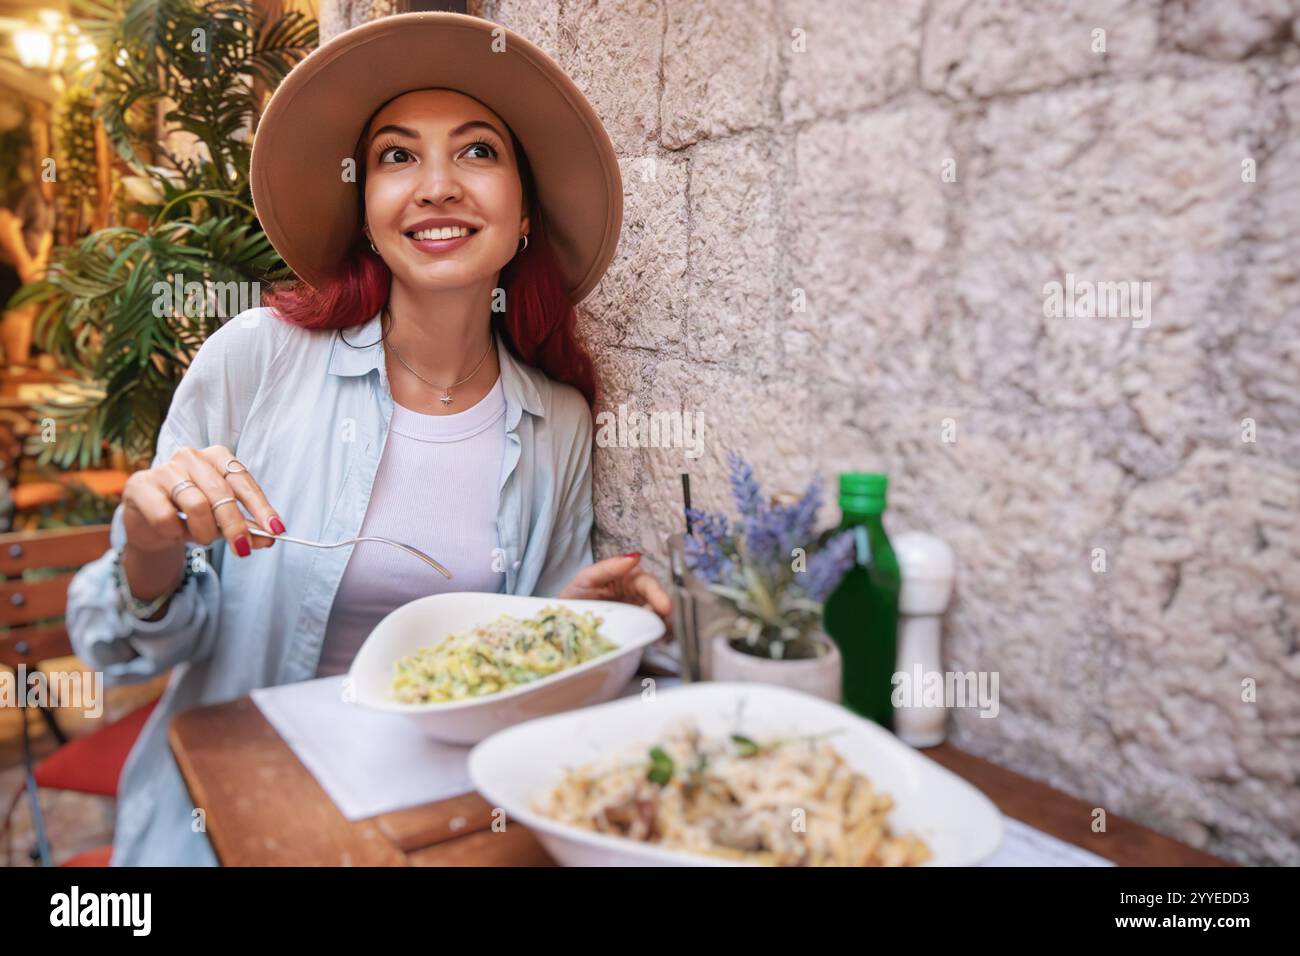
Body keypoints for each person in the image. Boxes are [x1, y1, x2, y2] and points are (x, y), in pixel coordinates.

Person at [65, 11, 669, 866]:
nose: (435, 187)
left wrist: (581, 630)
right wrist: (147, 544)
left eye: (477, 152)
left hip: (443, 829)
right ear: (365, 208)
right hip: (233, 823)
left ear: (525, 210)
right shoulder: (257, 358)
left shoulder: (557, 420)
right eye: (396, 156)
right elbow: (122, 648)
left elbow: (513, 667)